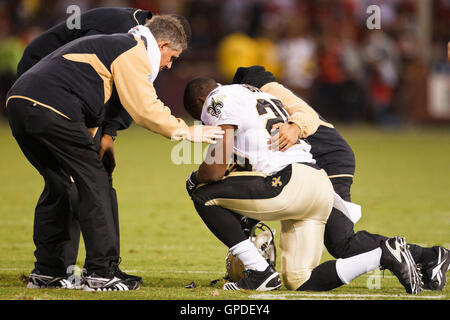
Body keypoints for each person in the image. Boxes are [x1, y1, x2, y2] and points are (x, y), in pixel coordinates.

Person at [6, 15, 223, 291]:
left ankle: (49, 271)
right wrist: (187, 132)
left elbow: (87, 100)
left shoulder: (110, 44)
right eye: (173, 57)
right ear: (163, 44)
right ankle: (101, 272)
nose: (169, 65)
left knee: (62, 184)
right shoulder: (132, 49)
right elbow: (144, 107)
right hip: (52, 107)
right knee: (96, 183)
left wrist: (95, 141)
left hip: (19, 103)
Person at [182, 78, 421, 294]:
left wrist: (193, 179)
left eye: (201, 116)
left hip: (289, 182)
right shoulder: (257, 94)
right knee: (299, 279)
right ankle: (384, 254)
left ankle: (259, 272)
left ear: (201, 101)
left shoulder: (216, 99)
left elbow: (214, 170)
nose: (205, 122)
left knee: (203, 195)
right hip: (318, 184)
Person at [231, 66, 450, 291]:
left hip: (327, 159)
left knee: (342, 241)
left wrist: (295, 127)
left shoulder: (269, 91)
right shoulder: (256, 101)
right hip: (313, 163)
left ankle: (428, 256)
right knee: (341, 241)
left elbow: (308, 117)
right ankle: (429, 256)